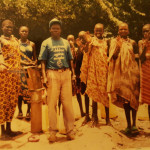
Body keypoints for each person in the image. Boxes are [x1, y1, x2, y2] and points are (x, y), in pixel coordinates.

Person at [38, 18, 75, 142]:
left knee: (68, 104)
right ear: (50, 29)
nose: (55, 30)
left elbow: (70, 60)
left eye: (57, 28)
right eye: (53, 28)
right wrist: (44, 76)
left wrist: (73, 74)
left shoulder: (65, 43)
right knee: (52, 104)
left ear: (60, 30)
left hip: (65, 73)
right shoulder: (46, 43)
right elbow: (42, 61)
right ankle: (53, 132)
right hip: (52, 73)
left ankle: (70, 131)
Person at [107, 23, 140, 135]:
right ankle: (128, 125)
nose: (123, 31)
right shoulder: (114, 42)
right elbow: (113, 58)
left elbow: (137, 59)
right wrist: (119, 46)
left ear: (128, 31)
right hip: (121, 76)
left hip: (133, 75)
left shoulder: (133, 43)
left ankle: (135, 124)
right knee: (126, 100)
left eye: (125, 29)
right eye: (121, 29)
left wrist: (137, 74)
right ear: (118, 31)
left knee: (134, 99)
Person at [79, 24, 110, 127]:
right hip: (93, 69)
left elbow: (108, 55)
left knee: (104, 93)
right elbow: (86, 51)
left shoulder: (106, 42)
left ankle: (107, 119)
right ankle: (94, 117)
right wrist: (88, 42)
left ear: (103, 31)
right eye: (96, 30)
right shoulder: (91, 40)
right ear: (94, 30)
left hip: (103, 70)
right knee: (94, 92)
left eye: (100, 30)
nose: (98, 32)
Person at [0, 20, 22, 139]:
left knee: (12, 101)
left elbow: (18, 55)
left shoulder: (15, 40)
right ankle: (2, 131)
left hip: (15, 75)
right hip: (3, 76)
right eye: (7, 27)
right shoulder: (0, 40)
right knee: (2, 102)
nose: (9, 29)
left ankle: (9, 128)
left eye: (11, 27)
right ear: (2, 27)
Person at [17, 26, 37, 120]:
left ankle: (29, 111)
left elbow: (35, 57)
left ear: (28, 33)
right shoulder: (16, 43)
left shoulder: (32, 44)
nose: (24, 33)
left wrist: (34, 63)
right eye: (22, 31)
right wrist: (26, 63)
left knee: (30, 90)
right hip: (20, 69)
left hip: (30, 70)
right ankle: (20, 111)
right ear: (19, 32)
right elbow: (16, 58)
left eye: (26, 31)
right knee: (20, 91)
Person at [67, 34, 85, 117]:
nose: (70, 41)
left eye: (72, 40)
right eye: (69, 40)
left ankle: (81, 111)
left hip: (75, 74)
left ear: (74, 41)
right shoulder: (65, 50)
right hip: (67, 73)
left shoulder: (77, 50)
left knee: (78, 93)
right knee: (66, 95)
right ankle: (66, 114)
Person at [138, 24, 150, 120]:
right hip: (146, 74)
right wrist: (146, 46)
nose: (146, 33)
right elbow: (141, 59)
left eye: (147, 31)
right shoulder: (141, 43)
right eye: (144, 31)